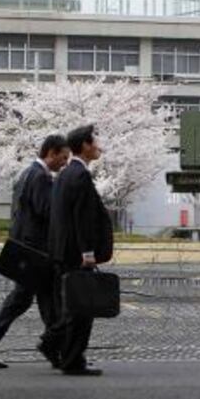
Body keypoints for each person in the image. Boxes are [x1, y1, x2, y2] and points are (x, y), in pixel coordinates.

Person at [0, 135, 70, 369]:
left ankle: (54, 349)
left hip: (27, 248)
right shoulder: (41, 177)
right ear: (51, 153)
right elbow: (47, 211)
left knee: (37, 300)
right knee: (36, 300)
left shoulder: (27, 173)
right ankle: (53, 348)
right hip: (36, 251)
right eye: (63, 157)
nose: (64, 163)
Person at [47, 124, 113, 376]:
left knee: (74, 305)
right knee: (82, 306)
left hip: (63, 250)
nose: (98, 146)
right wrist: (87, 254)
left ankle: (60, 349)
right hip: (76, 253)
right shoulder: (80, 175)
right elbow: (82, 218)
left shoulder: (65, 173)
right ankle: (72, 359)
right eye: (95, 141)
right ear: (85, 145)